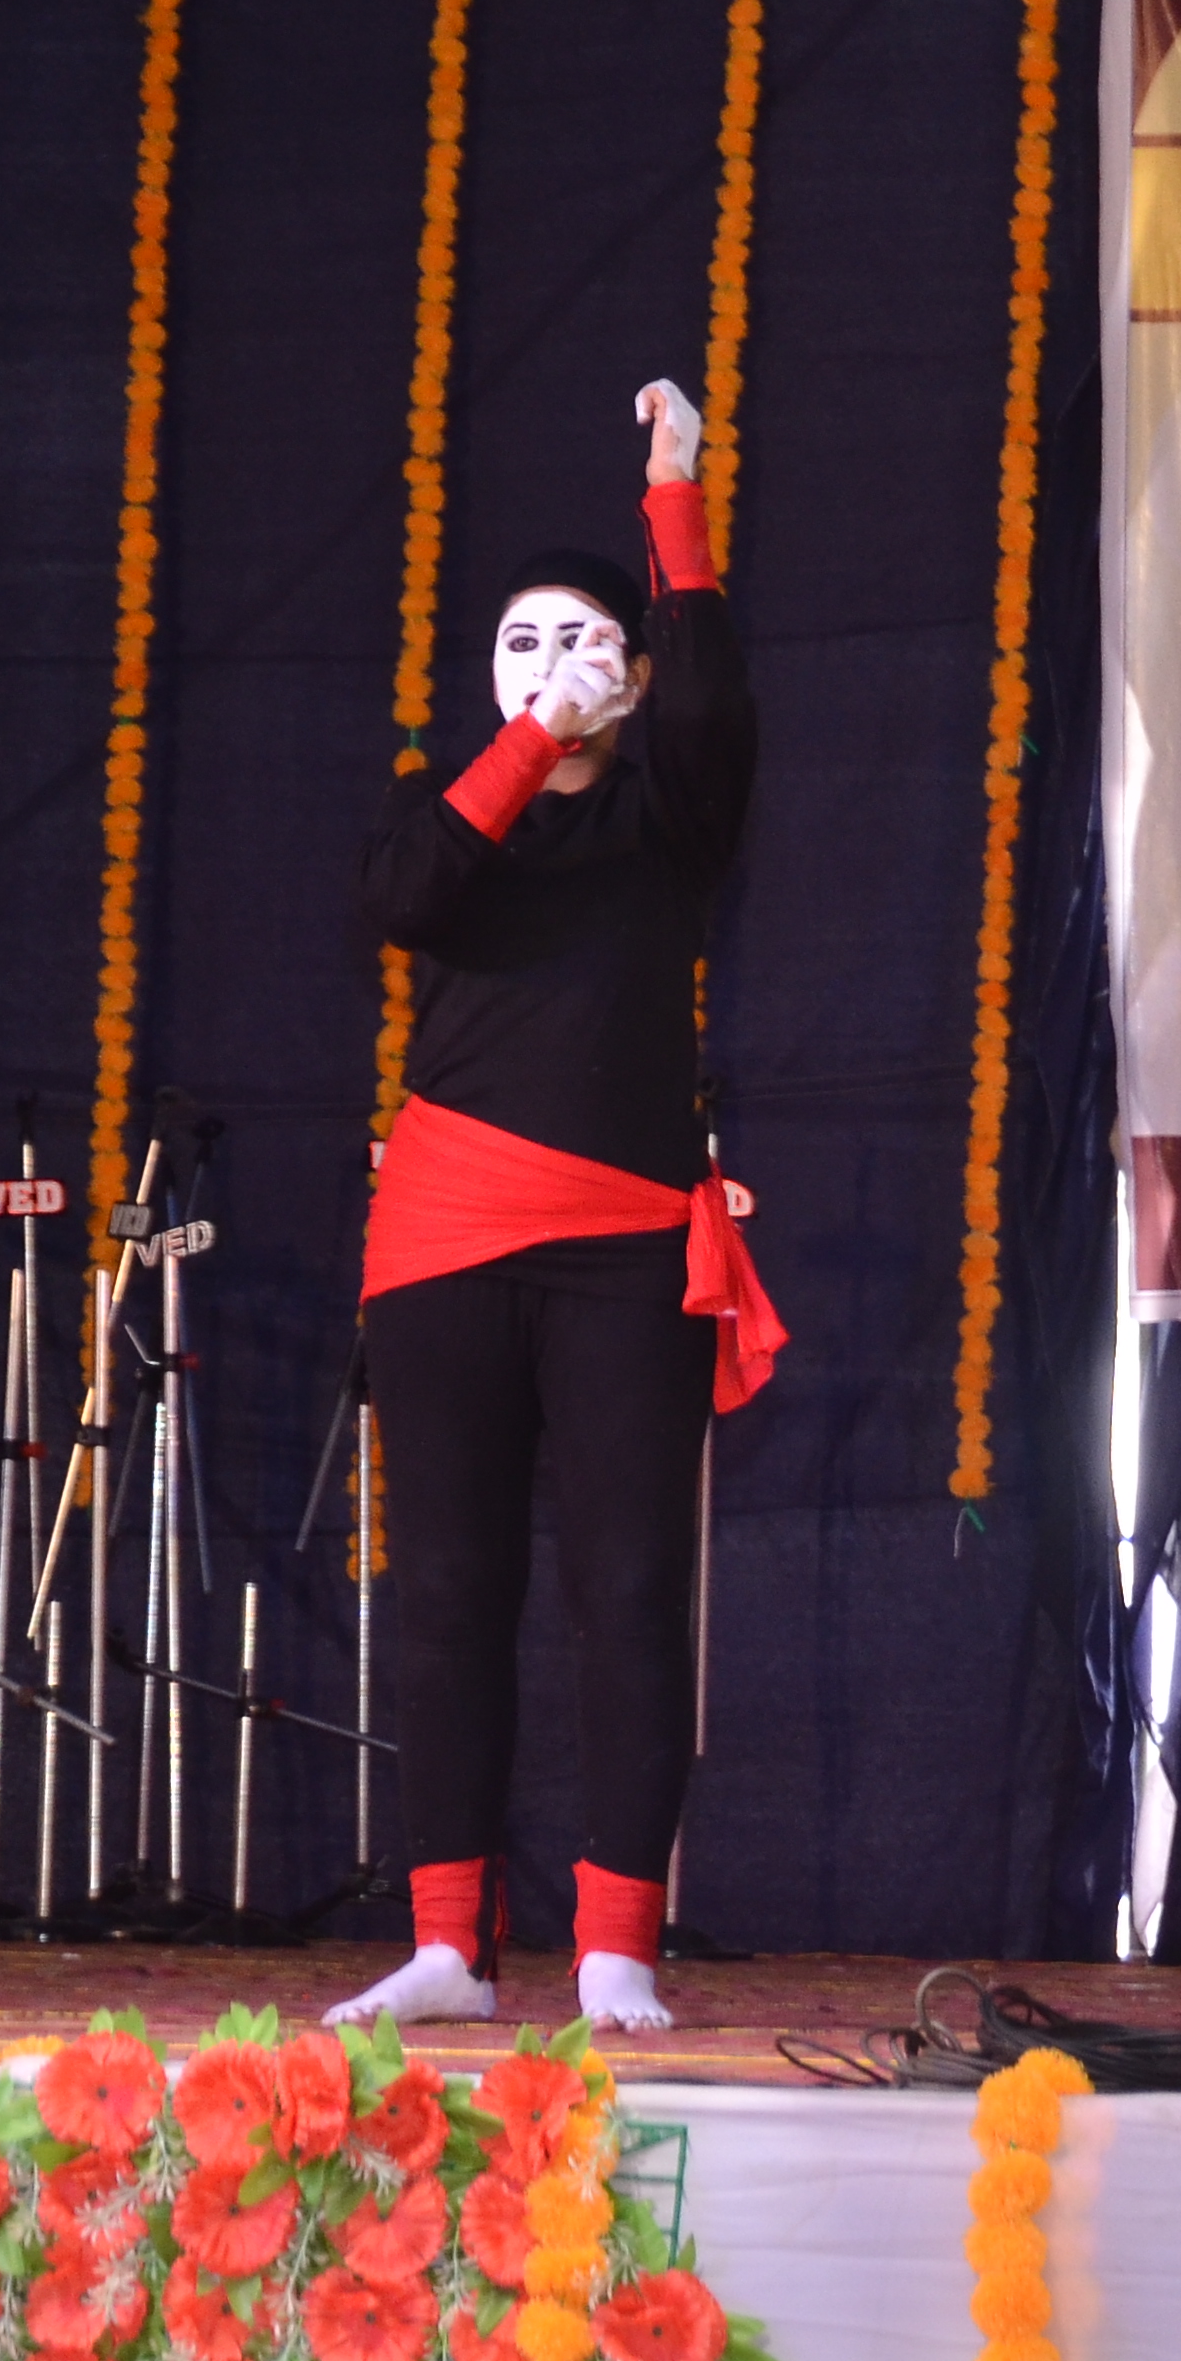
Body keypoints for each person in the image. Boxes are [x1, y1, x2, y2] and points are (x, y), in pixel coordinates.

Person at [331, 380, 781, 2037]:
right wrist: (521, 745)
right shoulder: (441, 807)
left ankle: (614, 1949)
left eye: (584, 642)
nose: (550, 665)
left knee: (624, 1581)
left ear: (636, 672)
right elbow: (405, 898)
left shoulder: (674, 809)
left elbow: (718, 705)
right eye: (520, 644)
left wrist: (674, 506)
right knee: (449, 1583)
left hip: (618, 1233)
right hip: (443, 1226)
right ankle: (448, 1937)